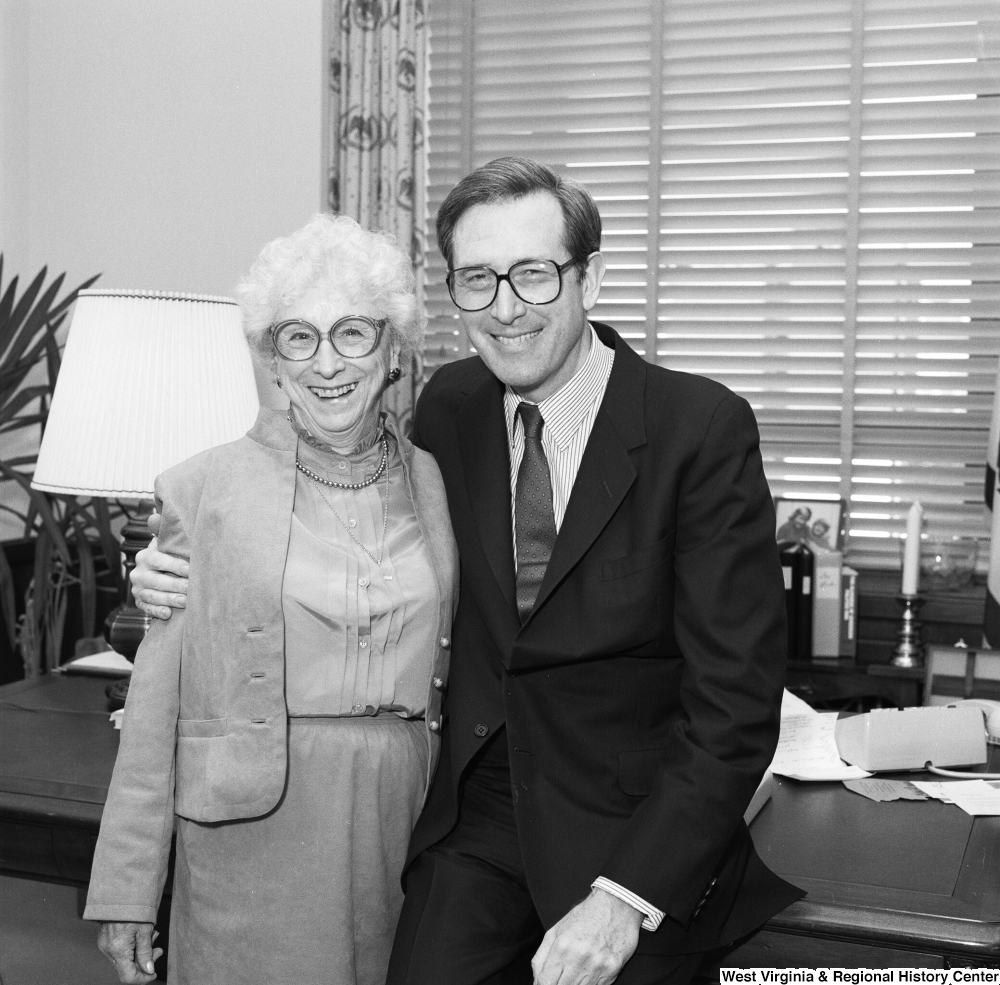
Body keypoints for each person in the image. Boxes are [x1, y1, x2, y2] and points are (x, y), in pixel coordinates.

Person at [134, 158, 802, 984]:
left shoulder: (697, 427)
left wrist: (625, 898)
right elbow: (326, 513)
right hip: (477, 814)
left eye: (533, 274)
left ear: (590, 278)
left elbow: (734, 707)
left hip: (633, 828)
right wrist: (170, 565)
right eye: (478, 280)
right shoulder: (450, 407)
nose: (506, 308)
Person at [84, 213, 458, 985]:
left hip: (406, 820)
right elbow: (155, 705)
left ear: (393, 350)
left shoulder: (434, 479)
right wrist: (127, 885)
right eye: (298, 337)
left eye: (353, 333)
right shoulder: (205, 488)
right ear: (272, 360)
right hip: (253, 838)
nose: (327, 362)